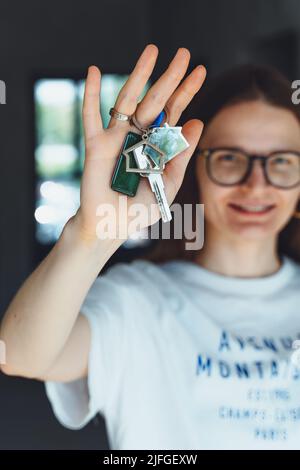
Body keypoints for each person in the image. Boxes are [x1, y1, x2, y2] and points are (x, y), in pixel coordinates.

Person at [1, 44, 300, 450]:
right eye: (230, 158)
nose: (257, 185)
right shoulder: (136, 301)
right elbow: (20, 356)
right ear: (192, 165)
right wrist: (92, 235)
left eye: (282, 161)